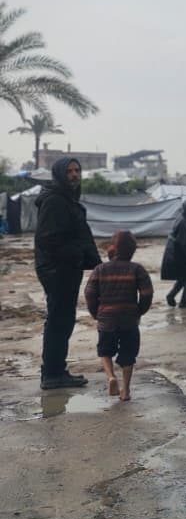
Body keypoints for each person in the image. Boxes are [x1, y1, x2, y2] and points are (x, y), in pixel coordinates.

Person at [33, 156, 102, 389]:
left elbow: (78, 233)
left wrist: (91, 261)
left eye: (77, 171)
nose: (74, 175)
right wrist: (77, 255)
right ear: (59, 174)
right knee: (59, 321)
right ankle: (52, 374)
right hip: (57, 270)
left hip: (66, 269)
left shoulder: (67, 199)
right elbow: (47, 239)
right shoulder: (54, 201)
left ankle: (56, 370)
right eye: (69, 171)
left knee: (63, 320)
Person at [85, 229, 153, 402]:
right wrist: (139, 311)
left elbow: (89, 293)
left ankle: (111, 377)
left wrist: (96, 313)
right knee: (128, 354)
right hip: (129, 319)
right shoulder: (137, 269)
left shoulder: (100, 269)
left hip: (106, 319)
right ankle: (126, 390)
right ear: (132, 250)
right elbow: (147, 294)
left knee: (104, 351)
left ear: (113, 248)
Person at [161, 201, 186, 308]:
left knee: (183, 277)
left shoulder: (182, 218)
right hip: (181, 255)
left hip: (177, 254)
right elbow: (184, 242)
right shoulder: (184, 222)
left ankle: (172, 295)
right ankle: (183, 301)